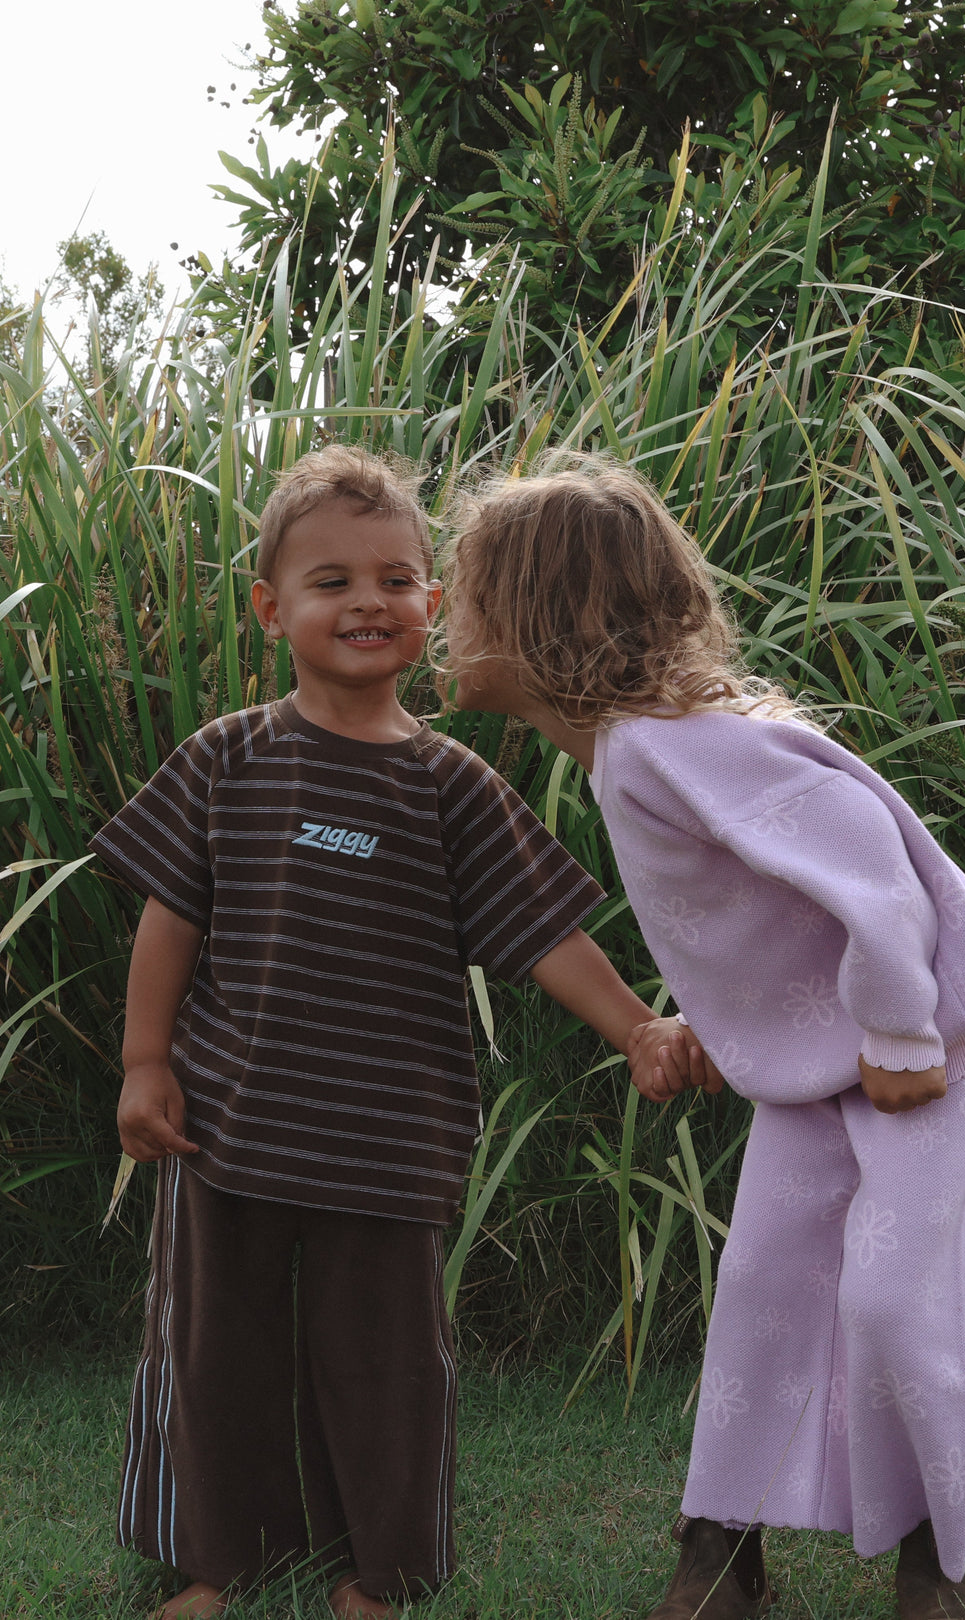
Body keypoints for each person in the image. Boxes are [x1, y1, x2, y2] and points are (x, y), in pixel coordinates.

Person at [89, 446, 700, 1620]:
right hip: (229, 1125)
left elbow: (543, 936)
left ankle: (384, 1574)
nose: (367, 601)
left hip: (390, 1141)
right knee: (217, 1353)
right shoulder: (228, 758)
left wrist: (634, 1029)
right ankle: (222, 1563)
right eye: (330, 581)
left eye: (397, 578)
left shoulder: (453, 787)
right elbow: (169, 919)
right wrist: (143, 1062)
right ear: (272, 609)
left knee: (387, 1368)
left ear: (432, 603)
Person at [441, 455, 965, 1620]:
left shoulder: (670, 745)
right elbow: (754, 915)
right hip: (829, 1064)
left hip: (937, 1049)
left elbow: (866, 860)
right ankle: (719, 1556)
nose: (441, 627)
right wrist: (726, 1023)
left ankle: (941, 1561)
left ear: (534, 616)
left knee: (902, 1300)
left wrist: (901, 1032)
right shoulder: (633, 750)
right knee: (765, 1282)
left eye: (461, 602)